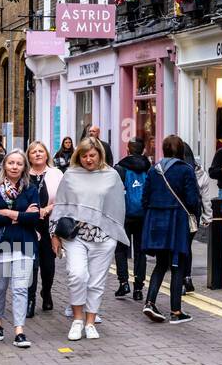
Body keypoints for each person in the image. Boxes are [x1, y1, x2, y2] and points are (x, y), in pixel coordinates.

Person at [49, 137, 128, 341]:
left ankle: (90, 322)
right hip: (76, 235)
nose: (88, 159)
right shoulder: (71, 174)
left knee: (96, 281)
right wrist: (54, 234)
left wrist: (114, 233)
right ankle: (77, 320)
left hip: (103, 237)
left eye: (92, 155)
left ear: (100, 154)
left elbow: (118, 206)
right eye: (84, 155)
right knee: (77, 275)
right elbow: (61, 205)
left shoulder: (111, 175)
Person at [140, 135, 199, 325]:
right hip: (177, 220)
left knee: (160, 263)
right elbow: (192, 200)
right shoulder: (185, 170)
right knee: (178, 264)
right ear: (181, 151)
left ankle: (149, 302)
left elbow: (145, 198)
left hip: (156, 220)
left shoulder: (153, 170)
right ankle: (176, 311)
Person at [0, 151, 41, 347]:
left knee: (20, 289)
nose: (15, 166)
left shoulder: (30, 188)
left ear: (24, 167)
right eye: (11, 163)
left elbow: (34, 217)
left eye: (19, 163)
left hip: (25, 243)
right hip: (1, 245)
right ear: (5, 165)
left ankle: (19, 330)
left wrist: (8, 212)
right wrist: (21, 215)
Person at [24, 141, 62, 315]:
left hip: (49, 224)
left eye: (41, 151)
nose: (38, 154)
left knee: (48, 265)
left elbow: (63, 199)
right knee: (30, 263)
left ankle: (46, 292)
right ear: (29, 156)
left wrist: (47, 209)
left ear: (47, 155)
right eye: (34, 152)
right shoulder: (23, 174)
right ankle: (29, 299)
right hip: (28, 224)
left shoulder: (56, 174)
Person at [113, 138, 152, 301]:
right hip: (143, 215)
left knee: (121, 249)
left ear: (128, 150)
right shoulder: (150, 168)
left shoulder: (120, 168)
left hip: (124, 215)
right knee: (140, 252)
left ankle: (123, 283)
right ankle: (138, 288)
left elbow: (113, 193)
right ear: (143, 151)